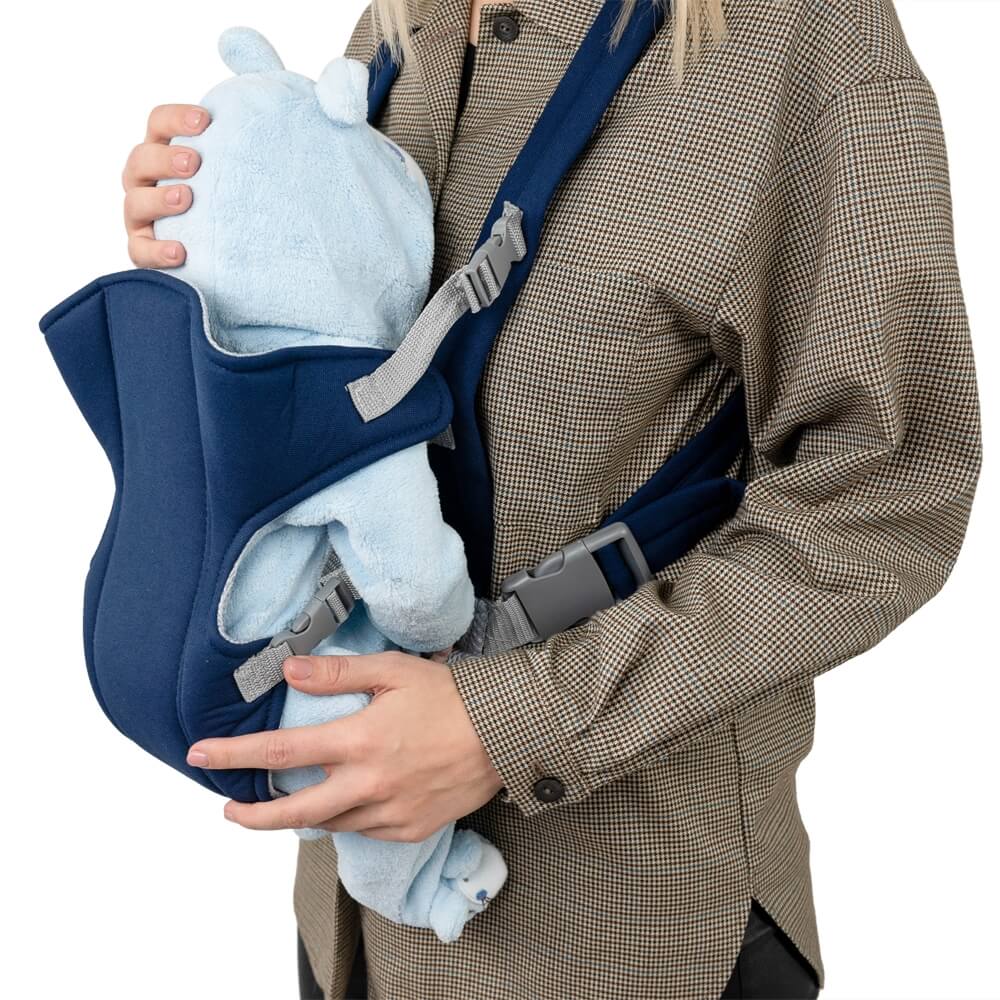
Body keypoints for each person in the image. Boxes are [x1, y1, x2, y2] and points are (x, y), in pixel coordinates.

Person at [120, 1, 981, 997]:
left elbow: (888, 495)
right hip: (348, 929)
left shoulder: (800, 37)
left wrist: (511, 723)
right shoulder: (401, 32)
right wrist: (216, 257)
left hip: (628, 931)